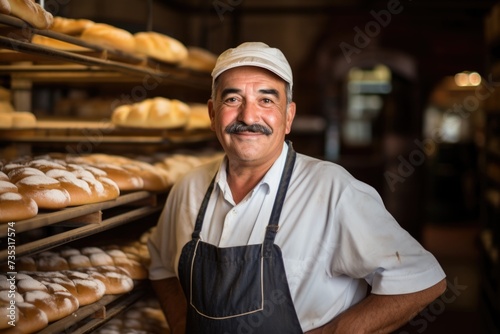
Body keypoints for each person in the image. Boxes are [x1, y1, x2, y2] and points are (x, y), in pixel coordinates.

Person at [147, 42, 447, 334]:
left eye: (266, 100)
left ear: (288, 116)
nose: (249, 117)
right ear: (212, 114)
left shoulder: (332, 191)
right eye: (232, 99)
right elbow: (161, 266)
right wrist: (180, 325)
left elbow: (421, 280)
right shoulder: (188, 189)